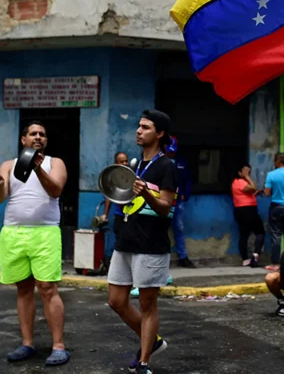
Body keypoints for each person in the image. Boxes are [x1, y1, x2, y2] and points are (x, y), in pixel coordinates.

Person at [0, 122, 70, 367]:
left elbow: (55, 190)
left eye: (42, 134)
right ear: (23, 139)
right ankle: (27, 343)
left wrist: (37, 169)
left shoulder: (55, 163)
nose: (38, 137)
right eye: (33, 134)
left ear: (45, 141)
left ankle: (58, 346)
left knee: (47, 288)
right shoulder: (8, 165)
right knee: (23, 290)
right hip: (13, 234)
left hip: (45, 233)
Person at [107, 109, 179, 374]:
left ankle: (145, 361)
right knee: (116, 300)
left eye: (145, 127)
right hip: (126, 239)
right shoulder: (136, 163)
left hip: (151, 242)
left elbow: (165, 207)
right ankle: (154, 340)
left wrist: (146, 193)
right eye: (138, 126)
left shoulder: (167, 166)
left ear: (159, 134)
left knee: (147, 305)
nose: (138, 130)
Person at [165, 136, 195, 269]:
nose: (172, 153)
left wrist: (185, 195)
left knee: (179, 228)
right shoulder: (159, 162)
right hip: (163, 200)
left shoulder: (181, 162)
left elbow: (188, 180)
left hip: (178, 201)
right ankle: (161, 257)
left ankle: (183, 257)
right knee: (160, 229)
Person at [231, 163, 265, 267]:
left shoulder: (239, 183)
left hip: (242, 211)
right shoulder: (240, 181)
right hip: (247, 211)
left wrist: (255, 194)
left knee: (244, 234)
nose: (248, 174)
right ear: (239, 172)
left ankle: (245, 259)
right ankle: (255, 255)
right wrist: (247, 177)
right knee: (260, 232)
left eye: (249, 172)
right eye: (245, 172)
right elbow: (253, 187)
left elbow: (249, 192)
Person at [103, 151, 129, 220]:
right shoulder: (113, 178)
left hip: (132, 213)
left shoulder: (132, 175)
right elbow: (109, 196)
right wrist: (105, 214)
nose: (125, 164)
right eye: (122, 162)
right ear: (116, 163)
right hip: (120, 214)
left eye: (126, 161)